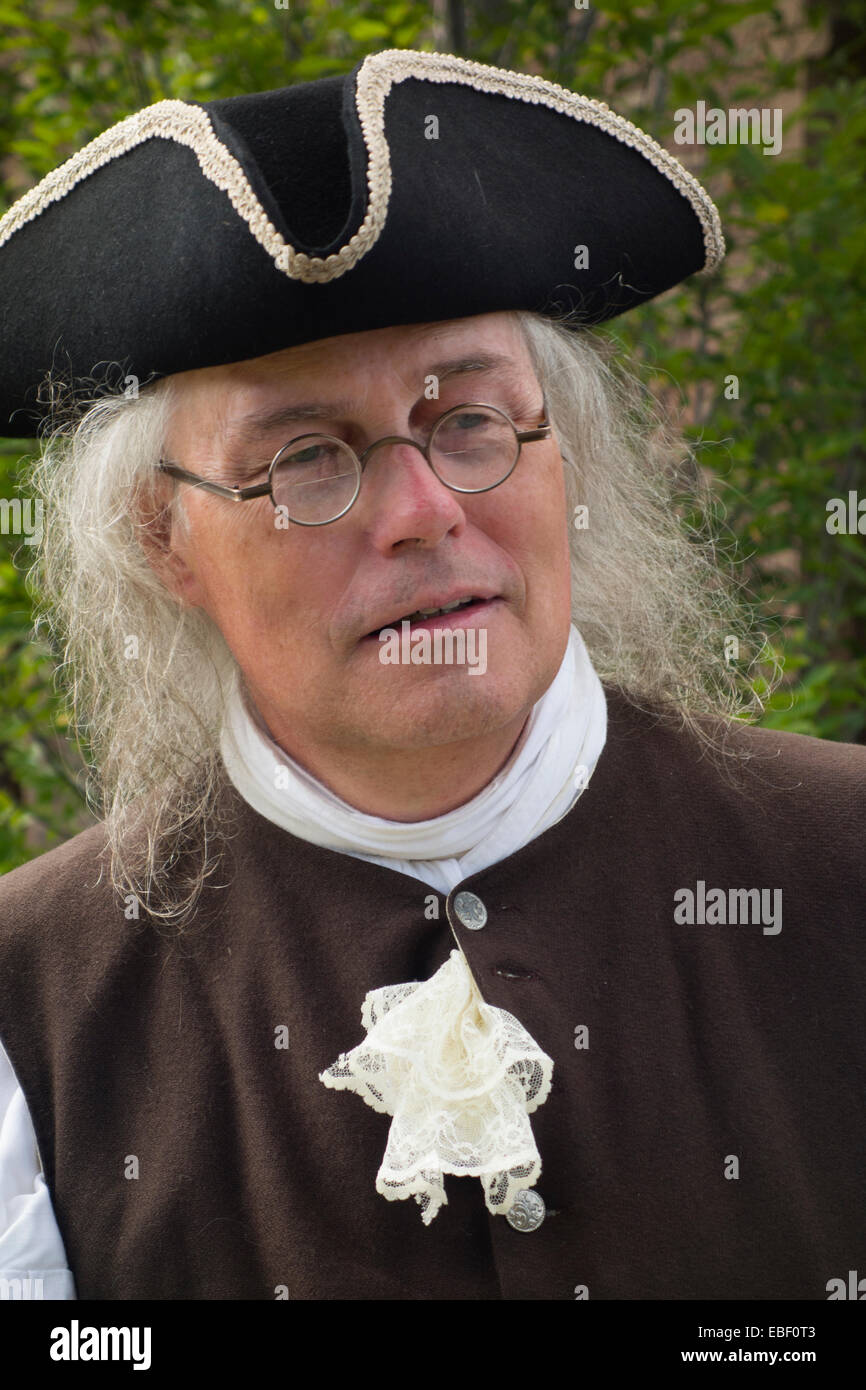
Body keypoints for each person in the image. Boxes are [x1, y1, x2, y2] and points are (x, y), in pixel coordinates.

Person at [0, 48, 862, 1302]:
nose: (417, 512)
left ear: (557, 451)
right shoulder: (31, 1011)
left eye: (466, 421)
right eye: (304, 456)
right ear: (162, 539)